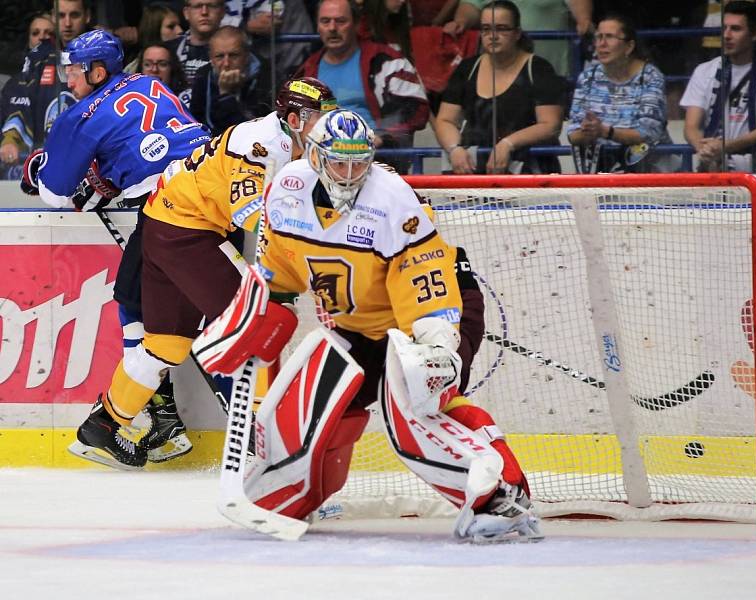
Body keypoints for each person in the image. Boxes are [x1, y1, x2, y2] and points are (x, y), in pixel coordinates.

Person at [193, 108, 541, 543]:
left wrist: (436, 346)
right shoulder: (286, 189)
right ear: (316, 157)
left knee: (416, 403)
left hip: (431, 312)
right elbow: (276, 275)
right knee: (306, 411)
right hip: (358, 324)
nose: (351, 172)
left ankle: (502, 499)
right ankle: (294, 496)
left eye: (360, 162)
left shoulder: (391, 197)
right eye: (340, 161)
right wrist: (252, 319)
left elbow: (425, 279)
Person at [68, 77, 337, 469]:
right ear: (294, 118)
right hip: (185, 231)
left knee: (166, 344)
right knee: (256, 323)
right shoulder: (260, 145)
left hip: (169, 223)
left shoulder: (295, 143)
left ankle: (102, 428)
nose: (327, 123)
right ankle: (262, 449)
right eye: (319, 116)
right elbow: (252, 217)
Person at [19, 29, 213, 468]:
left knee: (141, 306)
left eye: (74, 70)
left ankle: (141, 417)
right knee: (142, 303)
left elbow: (53, 193)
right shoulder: (151, 83)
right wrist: (110, 175)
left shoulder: (81, 116)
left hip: (174, 207)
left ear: (98, 70)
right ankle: (161, 418)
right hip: (212, 183)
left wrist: (44, 170)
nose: (68, 79)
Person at [295, 0, 429, 173]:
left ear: (356, 24)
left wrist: (382, 137)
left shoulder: (387, 62)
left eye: (341, 21)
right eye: (325, 21)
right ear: (318, 26)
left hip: (378, 163)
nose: (332, 28)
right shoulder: (307, 71)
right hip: (320, 166)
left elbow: (416, 109)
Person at [434, 0, 565, 174]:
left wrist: (508, 143)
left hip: (529, 172)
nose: (493, 35)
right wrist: (454, 149)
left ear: (517, 33)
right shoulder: (466, 68)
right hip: (473, 173)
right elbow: (445, 120)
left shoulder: (539, 68)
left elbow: (551, 125)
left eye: (502, 28)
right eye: (486, 29)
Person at [682, 1, 756, 173]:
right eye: (724, 28)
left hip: (753, 176)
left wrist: (724, 147)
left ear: (754, 34)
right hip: (711, 172)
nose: (726, 35)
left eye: (735, 29)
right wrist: (705, 149)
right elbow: (690, 126)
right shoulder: (703, 71)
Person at [567, 14, 677, 173]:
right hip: (600, 172)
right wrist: (587, 131)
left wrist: (605, 131)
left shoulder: (650, 77)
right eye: (599, 37)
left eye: (610, 37)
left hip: (647, 169)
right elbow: (573, 135)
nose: (602, 44)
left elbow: (649, 133)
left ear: (629, 46)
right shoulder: (587, 78)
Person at [0, 0, 91, 169]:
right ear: (53, 17)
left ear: (87, 16)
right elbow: (20, 97)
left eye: (75, 15)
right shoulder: (38, 57)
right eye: (61, 16)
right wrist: (11, 138)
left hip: (90, 159)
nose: (68, 23)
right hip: (46, 162)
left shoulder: (100, 51)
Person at [444, 0, 594, 77]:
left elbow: (580, 6)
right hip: (500, 73)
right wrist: (461, 22)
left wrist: (583, 19)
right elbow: (471, 6)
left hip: (552, 72)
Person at [189, 26, 272, 135]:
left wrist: (226, 95)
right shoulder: (203, 76)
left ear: (247, 55)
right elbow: (196, 123)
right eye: (219, 56)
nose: (226, 63)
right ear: (211, 58)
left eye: (233, 55)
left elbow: (250, 131)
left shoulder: (267, 75)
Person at [0, 12, 55, 173]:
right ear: (29, 40)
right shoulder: (13, 84)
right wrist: (7, 141)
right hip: (15, 171)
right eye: (35, 33)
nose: (42, 38)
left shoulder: (70, 82)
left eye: (48, 33)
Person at [167, 0, 226, 88]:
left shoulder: (234, 52)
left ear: (222, 12)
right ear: (186, 13)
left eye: (212, 6)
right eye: (198, 6)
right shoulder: (168, 50)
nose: (204, 12)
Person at [123, 4, 185, 73]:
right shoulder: (133, 71)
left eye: (179, 25)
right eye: (171, 27)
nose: (180, 31)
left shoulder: (184, 59)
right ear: (155, 30)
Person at [137, 43, 191, 108]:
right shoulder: (129, 97)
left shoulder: (184, 99)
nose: (154, 70)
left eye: (162, 64)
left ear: (172, 69)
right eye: (148, 64)